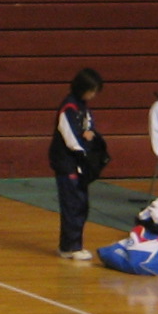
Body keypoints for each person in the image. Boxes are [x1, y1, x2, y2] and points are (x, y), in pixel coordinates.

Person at [49, 67, 105, 261]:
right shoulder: (69, 108)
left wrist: (91, 136)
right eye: (92, 90)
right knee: (72, 205)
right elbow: (72, 139)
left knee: (81, 204)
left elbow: (89, 128)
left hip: (79, 164)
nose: (93, 95)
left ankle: (72, 244)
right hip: (67, 163)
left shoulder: (83, 107)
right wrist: (85, 148)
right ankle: (70, 247)